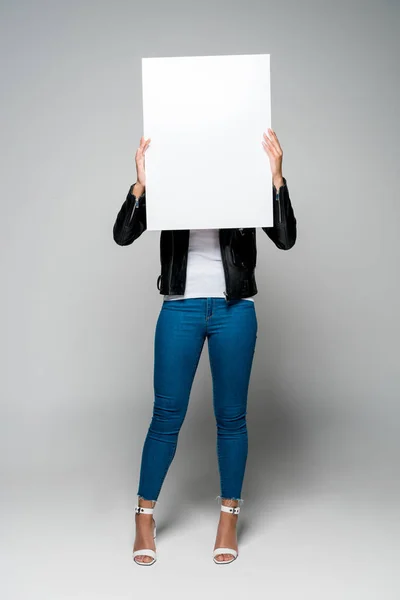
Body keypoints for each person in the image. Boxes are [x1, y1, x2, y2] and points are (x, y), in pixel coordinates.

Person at [113, 130, 297, 566]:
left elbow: (286, 238)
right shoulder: (170, 179)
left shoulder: (243, 180)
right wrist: (142, 182)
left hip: (236, 310)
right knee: (166, 415)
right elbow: (122, 235)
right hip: (180, 309)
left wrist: (276, 177)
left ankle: (229, 515)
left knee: (231, 416)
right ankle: (144, 516)